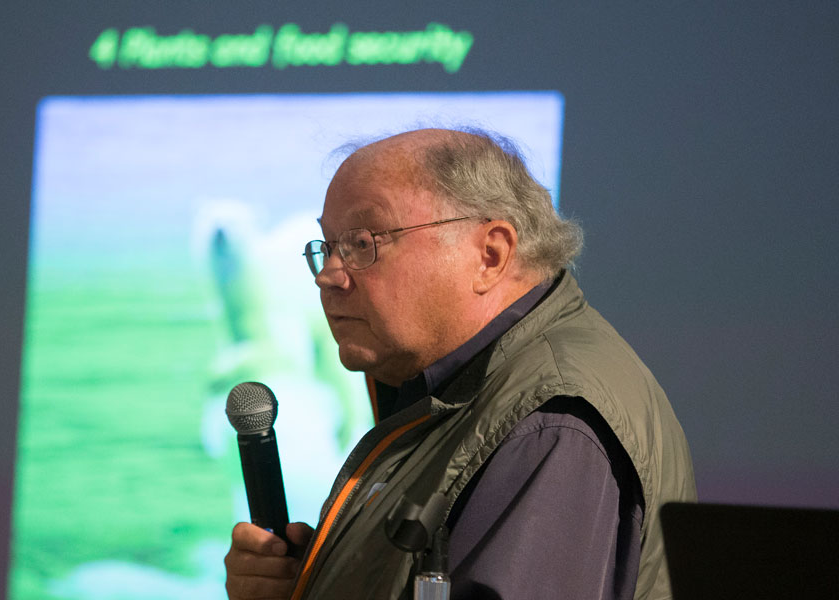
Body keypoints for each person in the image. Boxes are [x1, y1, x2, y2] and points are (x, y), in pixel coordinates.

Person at [223, 128, 696, 600]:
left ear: (490, 255)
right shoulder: (468, 389)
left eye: (363, 243)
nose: (327, 275)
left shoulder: (551, 425)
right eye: (326, 247)